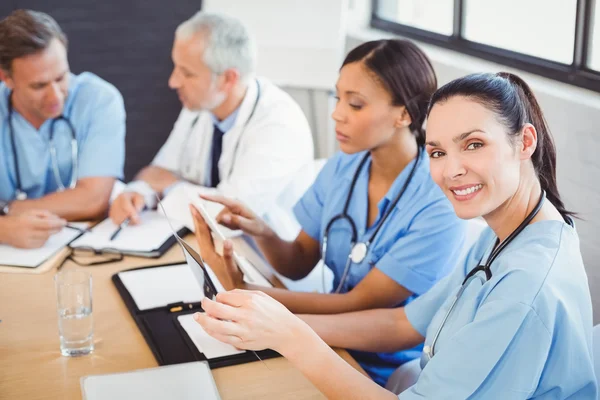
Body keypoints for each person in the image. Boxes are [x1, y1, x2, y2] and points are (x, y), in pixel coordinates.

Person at [193, 72, 597, 398]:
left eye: (473, 144)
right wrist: (279, 323)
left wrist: (291, 335)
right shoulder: (510, 233)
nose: (450, 170)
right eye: (437, 152)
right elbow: (403, 323)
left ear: (525, 142)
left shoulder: (524, 287)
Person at [190, 39, 466, 385]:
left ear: (404, 114)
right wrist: (262, 231)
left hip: (383, 370)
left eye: (355, 104)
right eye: (337, 98)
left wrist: (249, 292)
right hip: (321, 340)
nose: (337, 113)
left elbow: (360, 302)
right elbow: (299, 260)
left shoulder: (437, 200)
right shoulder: (344, 167)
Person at [109, 11, 313, 238]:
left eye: (187, 73)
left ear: (228, 79)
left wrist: (170, 186)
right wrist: (137, 193)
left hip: (265, 264)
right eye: (175, 67)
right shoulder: (199, 106)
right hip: (206, 246)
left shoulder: (280, 125)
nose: (173, 81)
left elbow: (228, 219)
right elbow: (158, 171)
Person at [0, 10, 126, 248]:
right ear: (6, 78)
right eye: (38, 86)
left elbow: (93, 199)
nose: (55, 96)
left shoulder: (99, 100)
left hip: (79, 245)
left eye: (61, 78)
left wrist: (8, 210)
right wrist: (4, 229)